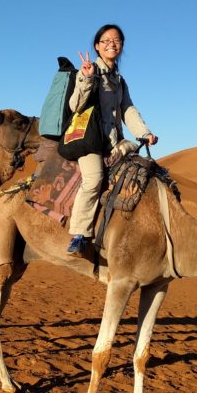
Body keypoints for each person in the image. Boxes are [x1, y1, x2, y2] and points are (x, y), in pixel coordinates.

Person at [65, 23, 157, 253]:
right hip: (91, 140)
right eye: (105, 41)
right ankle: (79, 233)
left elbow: (128, 109)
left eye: (116, 40)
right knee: (94, 178)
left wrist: (144, 132)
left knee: (140, 168)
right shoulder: (88, 71)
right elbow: (75, 105)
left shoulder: (119, 80)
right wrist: (86, 79)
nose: (111, 44)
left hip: (114, 142)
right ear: (97, 46)